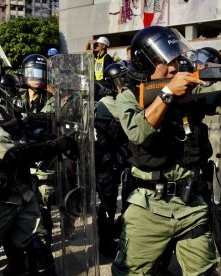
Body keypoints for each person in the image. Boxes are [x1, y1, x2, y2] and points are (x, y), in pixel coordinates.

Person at [110, 25, 221, 275]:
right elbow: (138, 131)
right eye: (164, 61)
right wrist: (168, 93)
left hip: (191, 203)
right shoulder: (128, 97)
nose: (173, 67)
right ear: (145, 64)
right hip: (148, 206)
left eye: (175, 60)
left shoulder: (188, 91)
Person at [0, 34, 77, 275]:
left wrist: (57, 134)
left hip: (23, 190)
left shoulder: (6, 99)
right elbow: (10, 153)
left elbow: (23, 131)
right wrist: (56, 146)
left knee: (41, 252)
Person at [14, 54, 55, 245]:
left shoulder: (52, 100)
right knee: (24, 206)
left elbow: (50, 123)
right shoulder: (15, 100)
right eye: (32, 73)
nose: (35, 77)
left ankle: (44, 246)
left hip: (43, 161)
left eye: (40, 73)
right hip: (22, 158)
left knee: (43, 204)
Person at [94, 63, 130, 258]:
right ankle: (105, 242)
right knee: (108, 205)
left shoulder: (121, 98)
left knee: (128, 200)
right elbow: (132, 115)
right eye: (119, 80)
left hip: (121, 159)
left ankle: (119, 233)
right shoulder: (107, 102)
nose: (123, 83)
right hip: (107, 161)